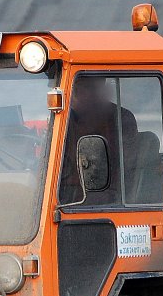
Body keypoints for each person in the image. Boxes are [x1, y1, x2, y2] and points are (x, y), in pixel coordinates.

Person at [59, 77, 139, 205]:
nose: (70, 94)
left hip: (103, 198)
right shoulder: (63, 120)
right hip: (62, 194)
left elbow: (125, 172)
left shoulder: (119, 119)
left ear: (97, 88)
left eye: (77, 89)